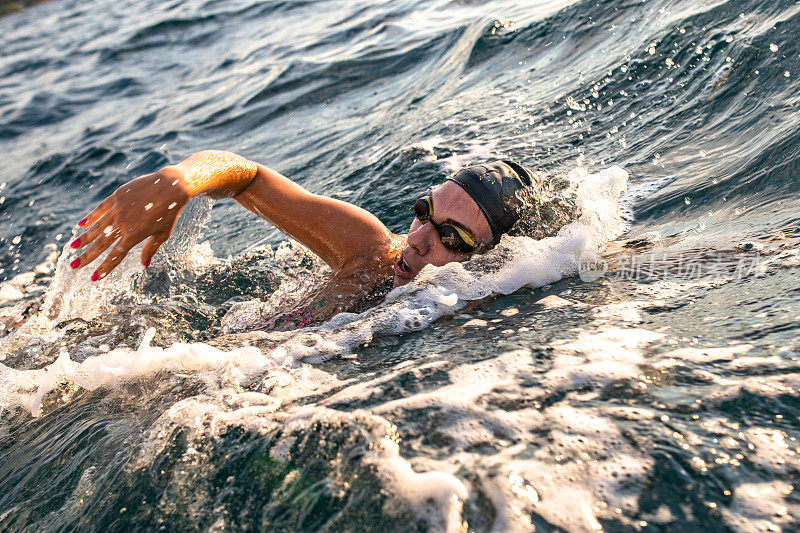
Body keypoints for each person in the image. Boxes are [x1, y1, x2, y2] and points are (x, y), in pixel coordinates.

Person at [69, 150, 537, 326]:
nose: (416, 239)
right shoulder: (371, 252)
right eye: (423, 213)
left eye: (451, 238)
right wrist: (181, 181)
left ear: (492, 259)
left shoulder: (482, 315)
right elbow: (247, 178)